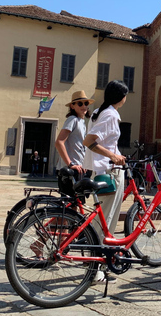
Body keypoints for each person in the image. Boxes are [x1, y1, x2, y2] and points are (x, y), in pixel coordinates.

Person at [83, 80, 129, 283]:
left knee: (100, 220)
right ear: (121, 97)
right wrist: (113, 156)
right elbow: (89, 141)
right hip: (109, 172)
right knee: (106, 221)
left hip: (101, 171)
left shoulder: (99, 112)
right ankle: (96, 269)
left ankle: (97, 261)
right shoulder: (110, 114)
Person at [55, 90, 93, 185]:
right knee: (71, 199)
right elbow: (59, 142)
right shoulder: (72, 120)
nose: (84, 106)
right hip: (70, 170)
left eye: (86, 103)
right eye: (80, 104)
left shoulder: (82, 122)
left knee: (78, 199)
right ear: (72, 106)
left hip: (79, 169)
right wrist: (70, 164)